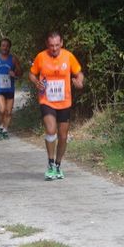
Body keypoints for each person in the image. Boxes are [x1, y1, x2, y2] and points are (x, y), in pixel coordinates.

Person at [29, 31, 84, 180]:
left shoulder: (68, 56)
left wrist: (79, 81)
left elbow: (79, 73)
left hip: (64, 101)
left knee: (63, 136)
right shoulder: (41, 57)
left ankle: (58, 165)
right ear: (47, 45)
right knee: (51, 130)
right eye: (51, 45)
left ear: (61, 43)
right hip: (46, 100)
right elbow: (32, 73)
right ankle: (50, 164)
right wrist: (36, 82)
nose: (54, 48)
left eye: (57, 45)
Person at [0, 38, 22, 140]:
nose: (5, 47)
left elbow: (20, 73)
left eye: (7, 46)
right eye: (3, 45)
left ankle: (5, 130)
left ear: (9, 47)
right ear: (0, 46)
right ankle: (1, 127)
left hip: (10, 89)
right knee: (2, 110)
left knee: (9, 112)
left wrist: (14, 74)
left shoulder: (13, 59)